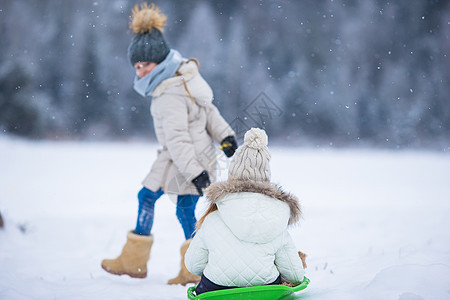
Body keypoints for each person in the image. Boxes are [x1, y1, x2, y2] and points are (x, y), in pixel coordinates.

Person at [101, 3, 237, 285]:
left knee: (185, 210)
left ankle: (198, 268)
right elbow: (208, 112)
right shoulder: (179, 81)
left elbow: (181, 137)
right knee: (146, 197)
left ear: (160, 62)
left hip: (190, 159)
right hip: (173, 157)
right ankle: (133, 261)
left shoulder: (168, 93)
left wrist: (197, 170)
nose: (139, 73)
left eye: (144, 66)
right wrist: (225, 135)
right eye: (136, 67)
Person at [185, 128, 305, 295]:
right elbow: (295, 275)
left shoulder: (213, 218)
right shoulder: (277, 217)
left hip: (216, 290)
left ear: (233, 174)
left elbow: (193, 265)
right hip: (265, 290)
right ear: (266, 176)